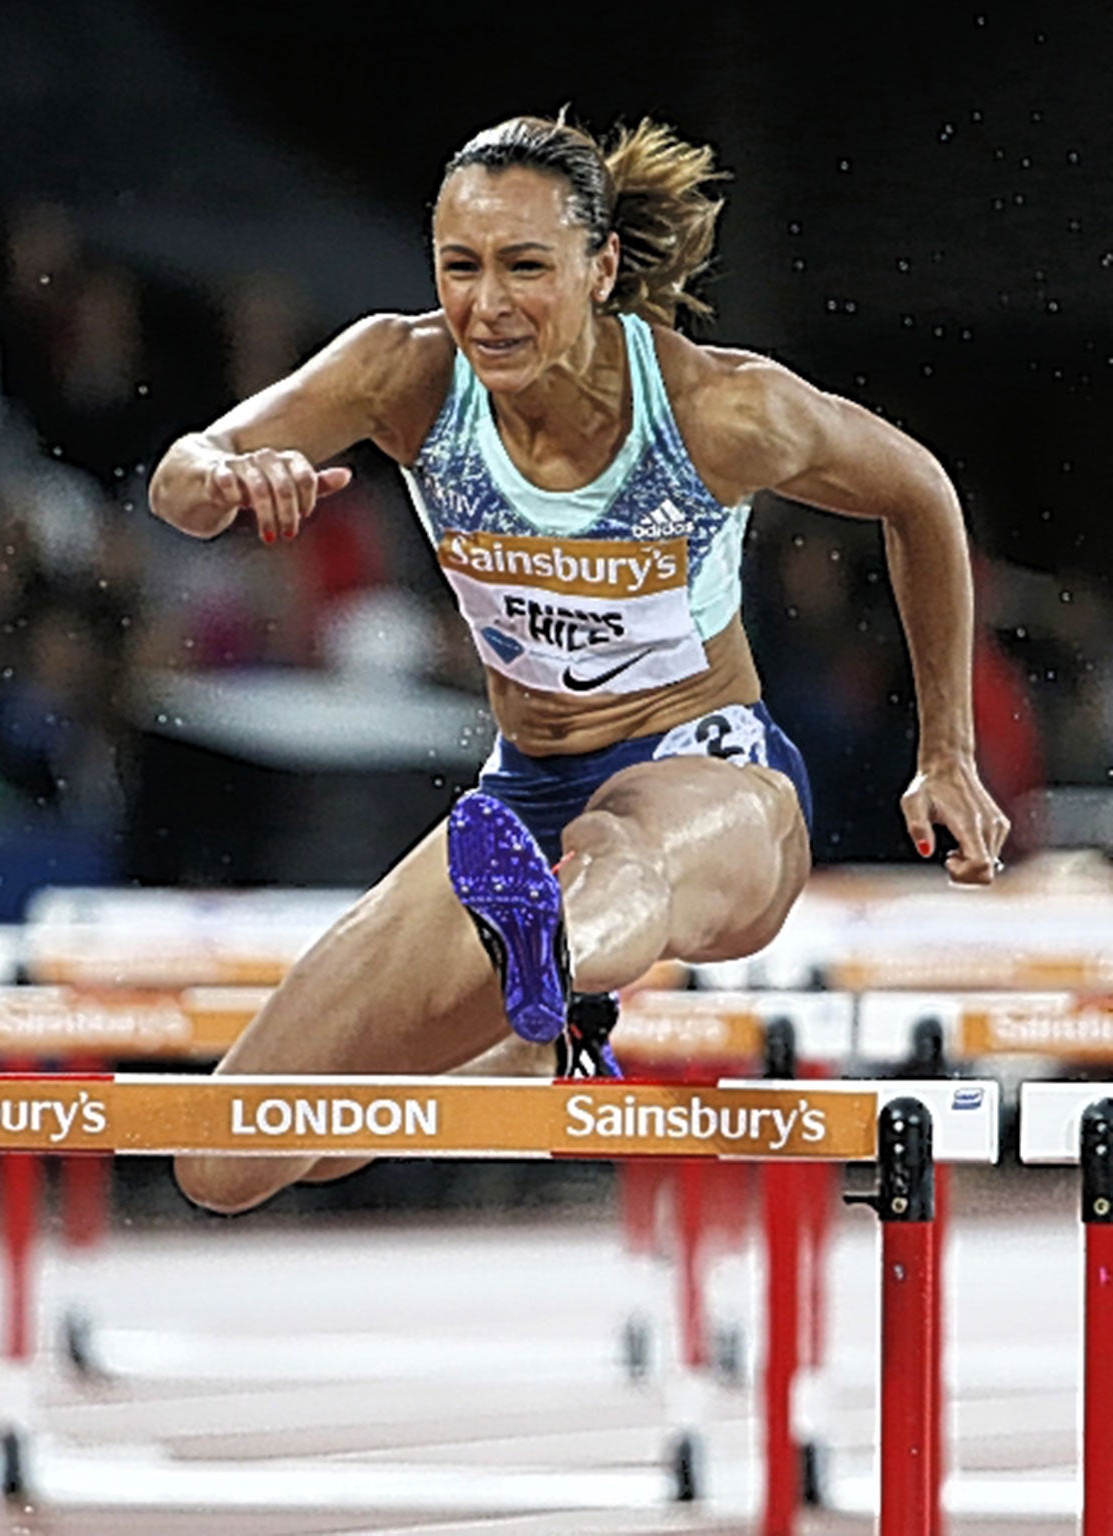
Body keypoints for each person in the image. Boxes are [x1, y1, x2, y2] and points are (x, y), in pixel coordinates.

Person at [147, 114, 1010, 1215]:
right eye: (458, 267)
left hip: (713, 787)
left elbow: (917, 491)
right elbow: (181, 471)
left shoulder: (714, 410)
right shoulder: (401, 374)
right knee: (229, 1156)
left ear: (600, 268)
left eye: (523, 268)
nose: (486, 305)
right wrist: (224, 477)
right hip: (523, 798)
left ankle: (553, 979)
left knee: (615, 848)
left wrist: (946, 750)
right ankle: (530, 1026)